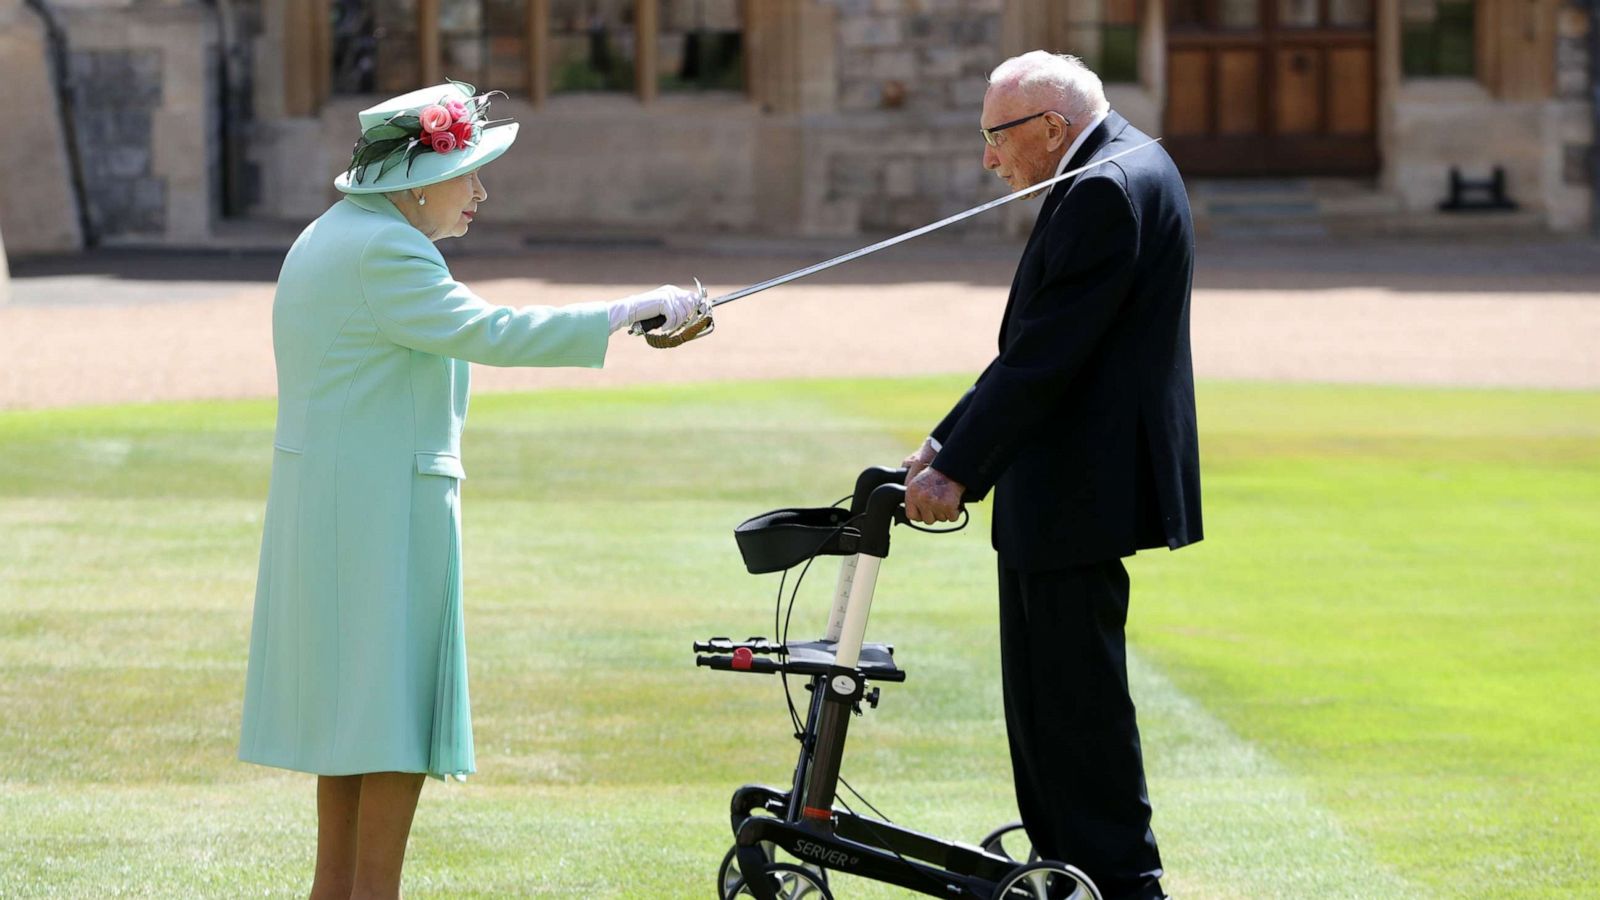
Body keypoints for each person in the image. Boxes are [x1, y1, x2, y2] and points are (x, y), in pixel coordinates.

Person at [236, 82, 703, 900]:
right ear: (415, 179)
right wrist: (636, 308)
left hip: (344, 511)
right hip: (379, 516)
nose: (480, 192)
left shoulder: (331, 233)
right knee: (391, 722)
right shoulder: (384, 249)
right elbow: (492, 332)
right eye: (468, 172)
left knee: (360, 723)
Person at [901, 52, 1202, 900]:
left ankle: (1120, 880)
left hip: (1079, 488)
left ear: (1051, 130)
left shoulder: (1103, 187)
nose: (989, 160)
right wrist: (943, 440)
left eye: (997, 139)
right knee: (1045, 700)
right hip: (1070, 484)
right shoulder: (1127, 160)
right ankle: (1066, 865)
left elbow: (1046, 356)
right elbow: (1038, 348)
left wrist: (957, 468)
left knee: (1074, 705)